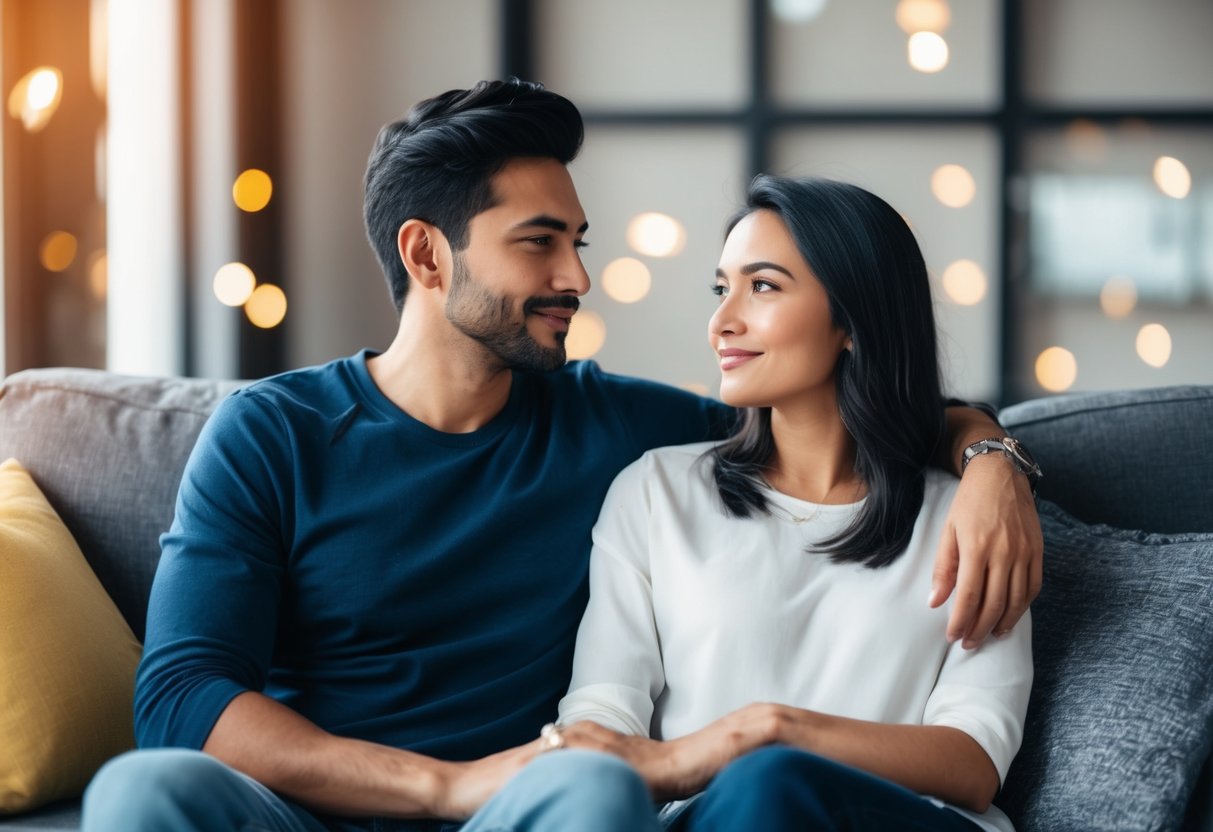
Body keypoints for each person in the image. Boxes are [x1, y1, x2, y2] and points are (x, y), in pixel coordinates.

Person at [82, 80, 1041, 832]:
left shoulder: (620, 432)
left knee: (594, 796)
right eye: (539, 244)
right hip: (319, 812)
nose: (576, 278)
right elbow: (181, 696)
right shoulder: (272, 432)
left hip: (527, 812)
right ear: (427, 256)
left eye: (576, 242)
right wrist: (442, 786)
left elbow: (835, 417)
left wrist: (990, 456)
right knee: (142, 794)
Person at [551, 175, 1033, 831]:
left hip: (900, 823)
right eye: (722, 288)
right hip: (711, 819)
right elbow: (603, 714)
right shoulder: (655, 491)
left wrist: (771, 732)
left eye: (764, 286)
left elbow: (974, 761)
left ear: (854, 321)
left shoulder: (972, 519)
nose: (722, 321)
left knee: (772, 780)